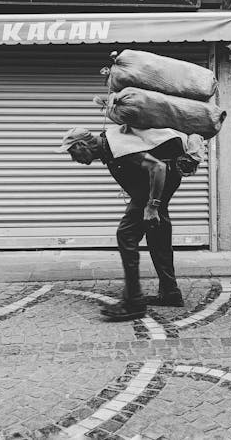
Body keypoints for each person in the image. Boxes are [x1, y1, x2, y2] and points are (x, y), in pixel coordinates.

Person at [57, 125, 199, 321]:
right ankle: (170, 292)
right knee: (157, 232)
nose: (74, 159)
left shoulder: (119, 149)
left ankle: (133, 303)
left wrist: (152, 206)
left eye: (73, 152)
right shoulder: (110, 144)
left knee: (126, 234)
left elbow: (158, 168)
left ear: (82, 145)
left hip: (159, 181)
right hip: (157, 181)